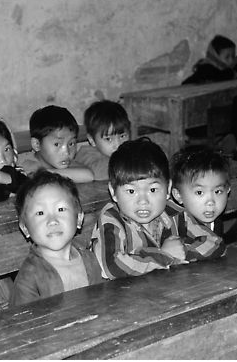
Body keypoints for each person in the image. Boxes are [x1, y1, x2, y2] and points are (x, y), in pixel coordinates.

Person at [90, 138, 187, 280]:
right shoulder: (111, 220)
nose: (143, 201)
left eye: (153, 190)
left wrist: (183, 250)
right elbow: (113, 266)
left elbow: (214, 243)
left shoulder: (174, 212)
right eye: (131, 191)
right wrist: (164, 255)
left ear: (168, 189)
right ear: (113, 192)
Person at [10, 170, 104, 306]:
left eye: (60, 209)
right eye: (40, 213)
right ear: (25, 228)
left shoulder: (89, 260)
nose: (52, 220)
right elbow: (22, 323)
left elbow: (102, 303)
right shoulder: (29, 277)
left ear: (78, 218)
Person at [170, 145, 229, 261]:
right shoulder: (175, 223)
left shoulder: (216, 223)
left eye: (218, 191)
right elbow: (216, 247)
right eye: (199, 192)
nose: (211, 202)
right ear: (178, 195)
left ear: (228, 191)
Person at [18, 105, 94, 183]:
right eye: (57, 144)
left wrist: (43, 174)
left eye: (71, 143)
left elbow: (88, 175)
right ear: (37, 144)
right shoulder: (23, 166)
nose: (66, 152)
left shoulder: (61, 161)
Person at [75, 100, 131, 180]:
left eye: (122, 136)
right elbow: (98, 173)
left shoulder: (129, 150)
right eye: (108, 139)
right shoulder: (86, 154)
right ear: (92, 140)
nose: (118, 145)